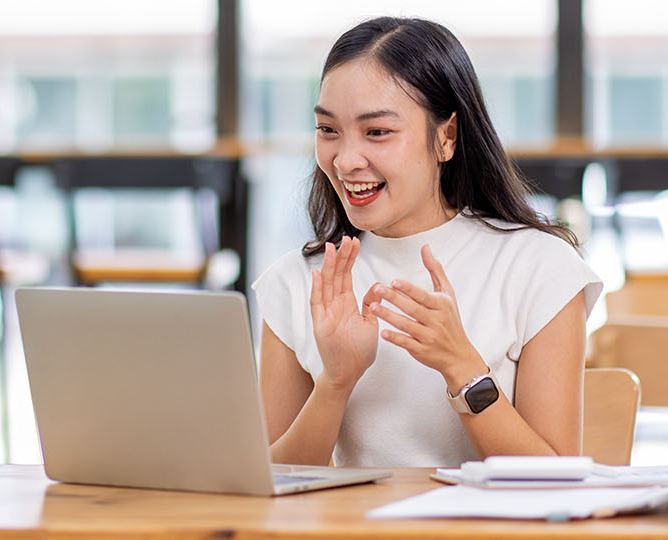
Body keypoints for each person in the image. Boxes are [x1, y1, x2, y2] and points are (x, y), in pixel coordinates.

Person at [252, 17, 603, 468]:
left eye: (377, 132)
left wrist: (463, 368)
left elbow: (553, 476)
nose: (345, 159)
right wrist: (335, 383)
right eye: (328, 130)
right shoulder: (296, 281)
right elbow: (272, 486)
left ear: (446, 137)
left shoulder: (539, 267)